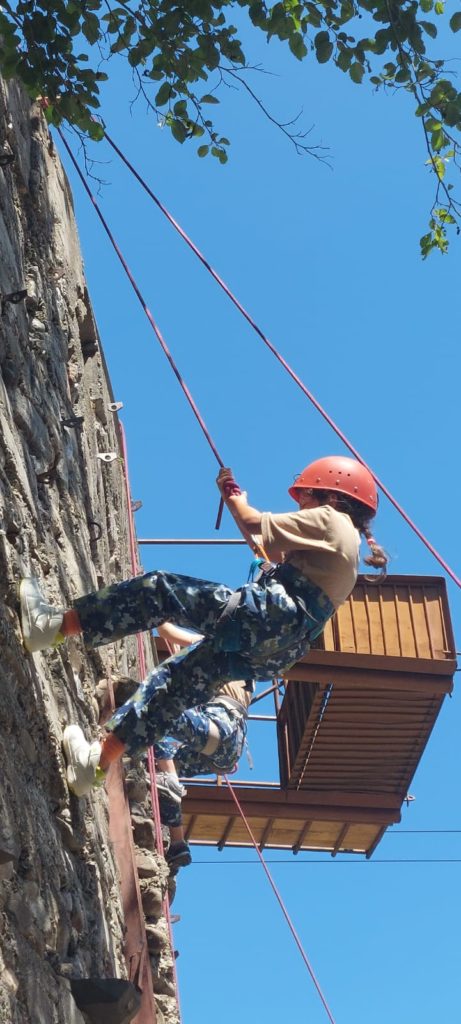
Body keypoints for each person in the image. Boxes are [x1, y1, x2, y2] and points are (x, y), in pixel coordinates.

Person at [19, 456, 387, 799]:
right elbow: (267, 550)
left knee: (160, 591)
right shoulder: (346, 549)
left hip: (265, 617)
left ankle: (52, 626)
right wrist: (235, 508)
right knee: (173, 684)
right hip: (273, 649)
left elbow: (255, 522)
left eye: (305, 495)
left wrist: (235, 496)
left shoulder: (330, 519)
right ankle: (95, 763)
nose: (301, 503)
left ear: (330, 494)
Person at [152, 622, 254, 870]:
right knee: (165, 765)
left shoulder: (222, 646)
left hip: (221, 722)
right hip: (229, 744)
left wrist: (157, 607)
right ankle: (178, 844)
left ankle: (173, 785)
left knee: (154, 717)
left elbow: (167, 632)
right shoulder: (248, 664)